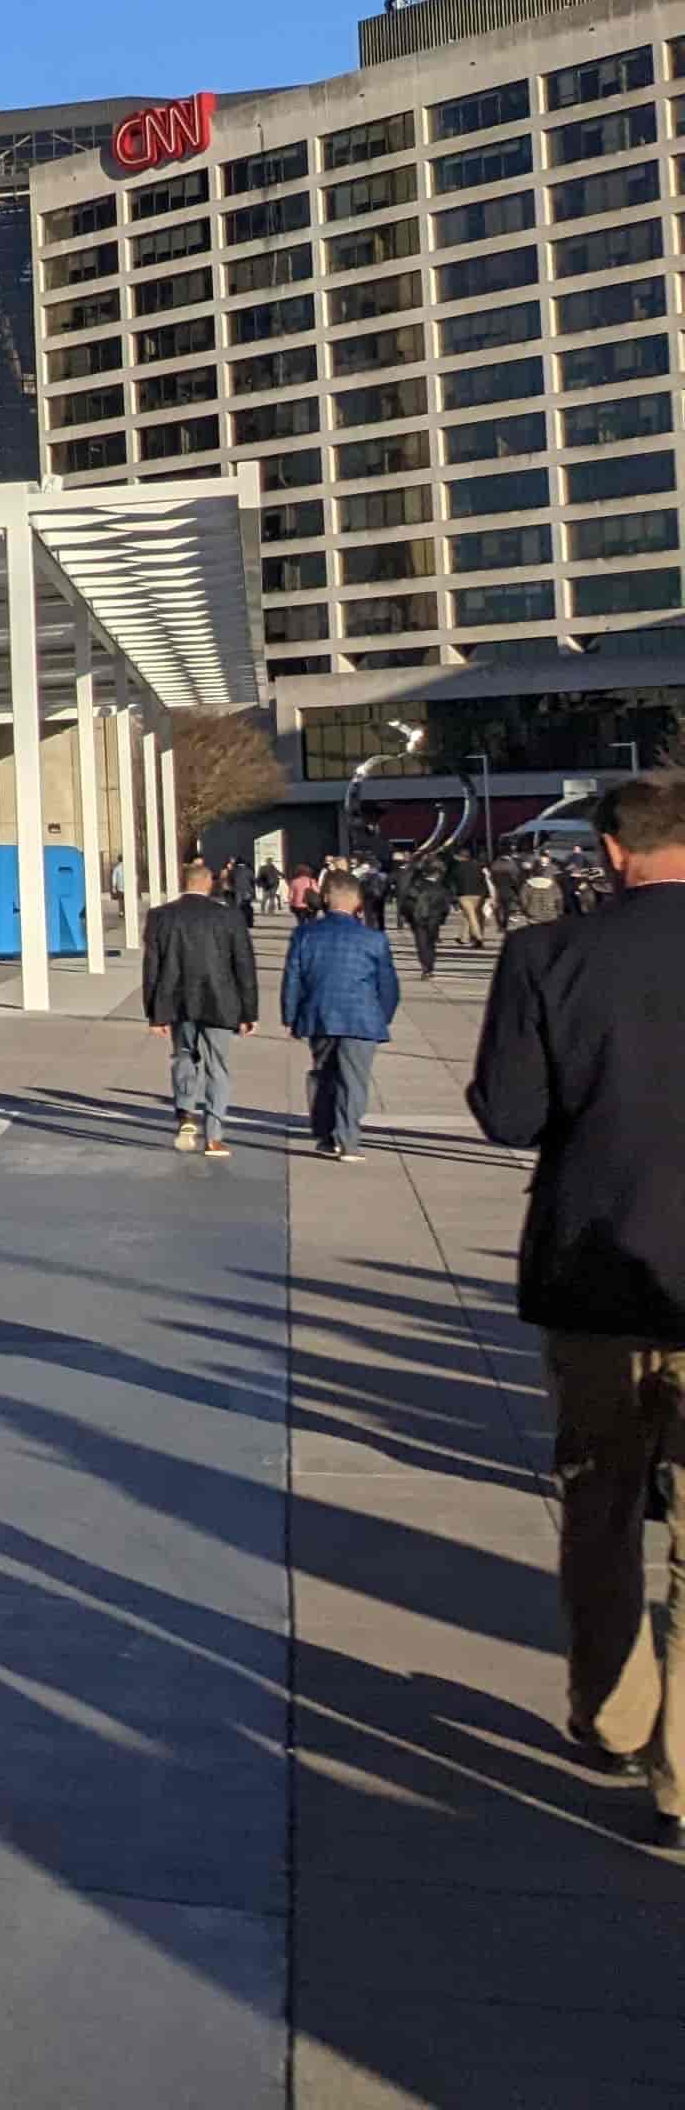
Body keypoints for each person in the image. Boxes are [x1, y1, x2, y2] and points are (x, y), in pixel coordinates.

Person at [467, 772, 685, 1855]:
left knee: (598, 1502)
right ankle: (683, 1769)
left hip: (594, 1273)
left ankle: (612, 1712)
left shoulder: (547, 957)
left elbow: (509, 1115)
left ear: (608, 852)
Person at [141, 855, 259, 1159]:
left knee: (183, 1054)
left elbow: (152, 966)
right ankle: (215, 1136)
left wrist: (155, 1012)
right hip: (221, 1002)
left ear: (184, 884)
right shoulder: (230, 917)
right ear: (209, 883)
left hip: (178, 1000)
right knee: (217, 1066)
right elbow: (244, 966)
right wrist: (249, 1012)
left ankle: (185, 1112)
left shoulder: (161, 916)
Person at [281, 867, 400, 1162]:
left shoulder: (305, 934)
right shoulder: (373, 939)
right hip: (361, 1017)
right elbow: (388, 985)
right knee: (354, 1079)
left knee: (324, 1074)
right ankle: (347, 1140)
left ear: (325, 899)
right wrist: (381, 1015)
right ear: (357, 902)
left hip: (320, 1014)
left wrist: (291, 1016)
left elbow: (293, 978)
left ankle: (325, 1134)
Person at [399, 858, 452, 982]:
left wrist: (406, 916)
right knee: (430, 943)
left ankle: (426, 967)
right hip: (434, 919)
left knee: (422, 944)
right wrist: (443, 918)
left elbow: (407, 903)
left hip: (418, 919)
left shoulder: (416, 886)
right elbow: (445, 906)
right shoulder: (442, 889)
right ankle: (430, 967)